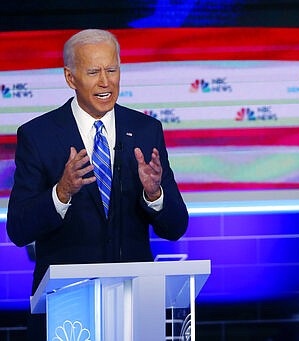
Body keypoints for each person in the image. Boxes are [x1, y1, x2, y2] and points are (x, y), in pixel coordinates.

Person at [6, 29, 189, 339]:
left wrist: (154, 193)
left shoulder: (145, 130)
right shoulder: (38, 136)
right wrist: (61, 193)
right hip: (66, 314)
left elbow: (175, 227)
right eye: (93, 72)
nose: (106, 81)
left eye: (112, 70)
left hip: (133, 310)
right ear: (70, 77)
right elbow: (19, 229)